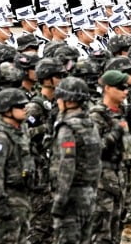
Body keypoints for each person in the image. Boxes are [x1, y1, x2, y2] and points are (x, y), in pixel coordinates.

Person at [51, 77, 101, 244]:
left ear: (67, 100)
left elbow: (67, 164)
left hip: (71, 197)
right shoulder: (90, 125)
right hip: (90, 194)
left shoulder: (67, 128)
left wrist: (60, 199)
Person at [0, 88, 34, 244]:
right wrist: (0, 202)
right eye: (19, 106)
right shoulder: (0, 137)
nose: (24, 109)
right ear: (6, 110)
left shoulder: (18, 132)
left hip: (20, 199)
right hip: (7, 201)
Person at [89, 70, 130, 244]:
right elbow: (94, 148)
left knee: (116, 232)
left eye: (126, 87)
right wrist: (115, 132)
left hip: (118, 178)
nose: (125, 91)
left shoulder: (120, 113)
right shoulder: (96, 116)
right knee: (101, 233)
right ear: (107, 89)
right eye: (120, 87)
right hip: (102, 181)